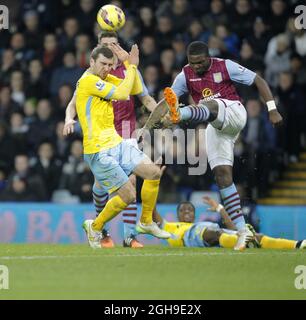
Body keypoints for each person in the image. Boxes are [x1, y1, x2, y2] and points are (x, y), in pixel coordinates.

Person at [144, 40, 283, 250]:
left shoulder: (225, 66)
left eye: (200, 62)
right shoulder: (185, 74)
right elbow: (165, 102)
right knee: (222, 176)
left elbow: (259, 80)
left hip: (234, 112)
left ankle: (180, 113)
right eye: (192, 63)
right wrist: (146, 130)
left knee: (209, 104)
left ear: (208, 57)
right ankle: (243, 231)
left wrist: (272, 109)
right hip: (215, 127)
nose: (196, 66)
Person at [64, 31, 157, 248]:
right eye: (103, 62)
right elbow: (122, 94)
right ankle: (98, 228)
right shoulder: (88, 80)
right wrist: (69, 118)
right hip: (99, 146)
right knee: (120, 192)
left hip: (120, 138)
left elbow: (139, 92)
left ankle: (138, 228)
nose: (107, 67)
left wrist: (127, 63)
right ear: (93, 59)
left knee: (147, 175)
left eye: (109, 62)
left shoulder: (114, 74)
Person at [153, 196, 306, 250]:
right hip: (191, 236)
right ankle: (244, 241)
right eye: (183, 210)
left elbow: (233, 228)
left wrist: (220, 209)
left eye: (190, 209)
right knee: (215, 233)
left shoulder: (206, 222)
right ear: (177, 214)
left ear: (194, 214)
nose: (186, 212)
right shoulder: (170, 227)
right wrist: (152, 183)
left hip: (218, 235)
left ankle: (297, 244)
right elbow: (152, 212)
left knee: (255, 237)